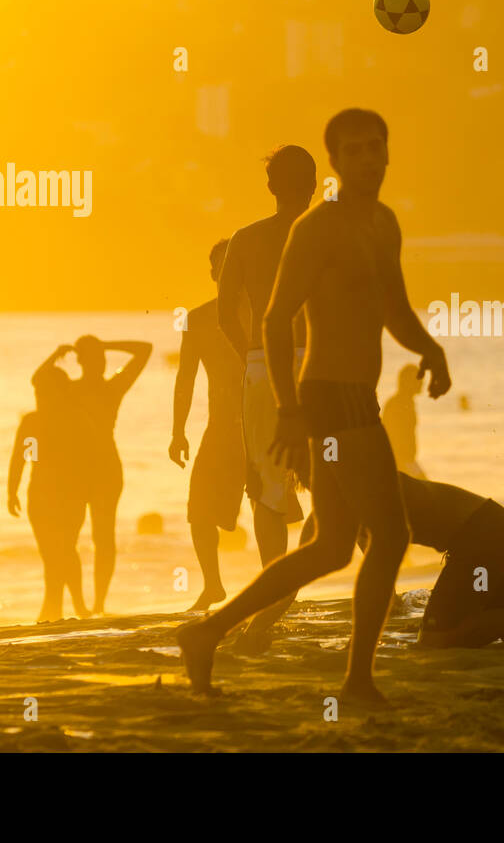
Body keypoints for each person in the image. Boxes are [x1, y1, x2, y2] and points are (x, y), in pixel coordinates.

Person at [178, 108, 451, 706]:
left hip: (353, 394)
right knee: (385, 532)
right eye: (352, 150)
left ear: (387, 154)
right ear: (335, 163)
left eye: (375, 147)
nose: (366, 159)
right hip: (327, 396)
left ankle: (207, 631)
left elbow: (395, 309)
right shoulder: (318, 229)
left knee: (331, 543)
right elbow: (273, 321)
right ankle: (356, 680)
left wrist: (432, 351)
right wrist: (290, 407)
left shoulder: (381, 224)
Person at [271, 473, 504, 648]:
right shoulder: (351, 485)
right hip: (492, 526)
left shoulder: (351, 489)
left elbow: (302, 568)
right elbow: (362, 559)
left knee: (437, 639)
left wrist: (256, 626)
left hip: (480, 536)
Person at [216, 145, 314, 581]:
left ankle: (274, 588)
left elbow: (223, 316)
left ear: (271, 186)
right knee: (340, 475)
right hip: (318, 364)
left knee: (265, 489)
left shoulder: (246, 239)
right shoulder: (329, 234)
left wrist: (252, 357)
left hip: (261, 368)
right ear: (314, 185)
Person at [38, 334, 151, 614]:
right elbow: (38, 381)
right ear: (81, 362)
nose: (99, 363)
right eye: (92, 358)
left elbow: (145, 349)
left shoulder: (114, 387)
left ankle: (99, 602)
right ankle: (76, 602)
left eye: (101, 358)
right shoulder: (68, 390)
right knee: (68, 537)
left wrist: (105, 344)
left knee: (103, 537)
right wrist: (55, 353)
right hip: (75, 471)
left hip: (107, 469)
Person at [170, 240, 247, 611]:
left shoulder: (266, 313)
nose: (228, 272)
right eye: (222, 266)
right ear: (215, 274)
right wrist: (177, 431)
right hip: (220, 430)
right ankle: (213, 586)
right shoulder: (198, 320)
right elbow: (185, 379)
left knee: (275, 509)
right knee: (199, 510)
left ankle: (279, 586)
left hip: (267, 422)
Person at [8, 365, 95, 622]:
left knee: (65, 549)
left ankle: (66, 606)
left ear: (60, 392)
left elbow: (91, 460)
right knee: (51, 553)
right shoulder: (31, 421)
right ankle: (60, 606)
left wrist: (89, 492)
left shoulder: (77, 418)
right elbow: (18, 459)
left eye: (44, 391)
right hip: (40, 495)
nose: (39, 396)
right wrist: (11, 491)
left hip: (72, 495)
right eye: (37, 391)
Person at [382, 363, 428, 478]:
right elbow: (390, 434)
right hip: (401, 461)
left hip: (408, 461)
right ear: (409, 382)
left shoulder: (407, 402)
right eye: (418, 379)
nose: (422, 383)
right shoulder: (397, 404)